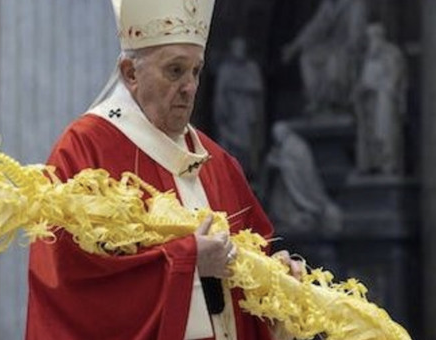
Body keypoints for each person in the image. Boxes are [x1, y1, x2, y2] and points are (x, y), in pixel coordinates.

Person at [26, 1, 301, 339]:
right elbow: (68, 281)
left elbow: (252, 275)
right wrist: (187, 261)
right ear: (130, 73)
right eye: (175, 70)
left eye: (196, 71)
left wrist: (278, 286)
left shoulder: (218, 163)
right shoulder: (85, 150)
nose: (189, 87)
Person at [282, 0, 367, 114]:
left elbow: (357, 32)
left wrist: (352, 46)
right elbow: (315, 27)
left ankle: (337, 100)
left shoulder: (356, 3)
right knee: (307, 57)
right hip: (332, 46)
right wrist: (294, 47)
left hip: (349, 47)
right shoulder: (328, 4)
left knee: (335, 60)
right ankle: (317, 99)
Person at [261, 121, 342, 235]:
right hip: (286, 185)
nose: (277, 139)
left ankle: (304, 212)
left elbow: (298, 168)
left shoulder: (297, 146)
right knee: (280, 205)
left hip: (300, 184)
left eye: (278, 135)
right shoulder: (283, 145)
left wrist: (280, 164)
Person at [353, 23, 407, 175]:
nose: (370, 41)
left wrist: (377, 86)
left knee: (386, 132)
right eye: (368, 38)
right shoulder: (368, 56)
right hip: (369, 100)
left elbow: (395, 79)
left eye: (372, 37)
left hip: (385, 99)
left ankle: (388, 164)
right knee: (368, 133)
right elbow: (363, 78)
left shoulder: (392, 53)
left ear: (380, 37)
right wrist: (361, 88)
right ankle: (371, 163)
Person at [213, 37, 264, 177]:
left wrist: (237, 86)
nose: (240, 52)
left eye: (242, 48)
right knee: (229, 141)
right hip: (231, 111)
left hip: (247, 110)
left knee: (247, 143)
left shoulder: (251, 67)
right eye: (237, 48)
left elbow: (256, 86)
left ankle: (247, 173)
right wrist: (221, 109)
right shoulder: (226, 69)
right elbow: (220, 91)